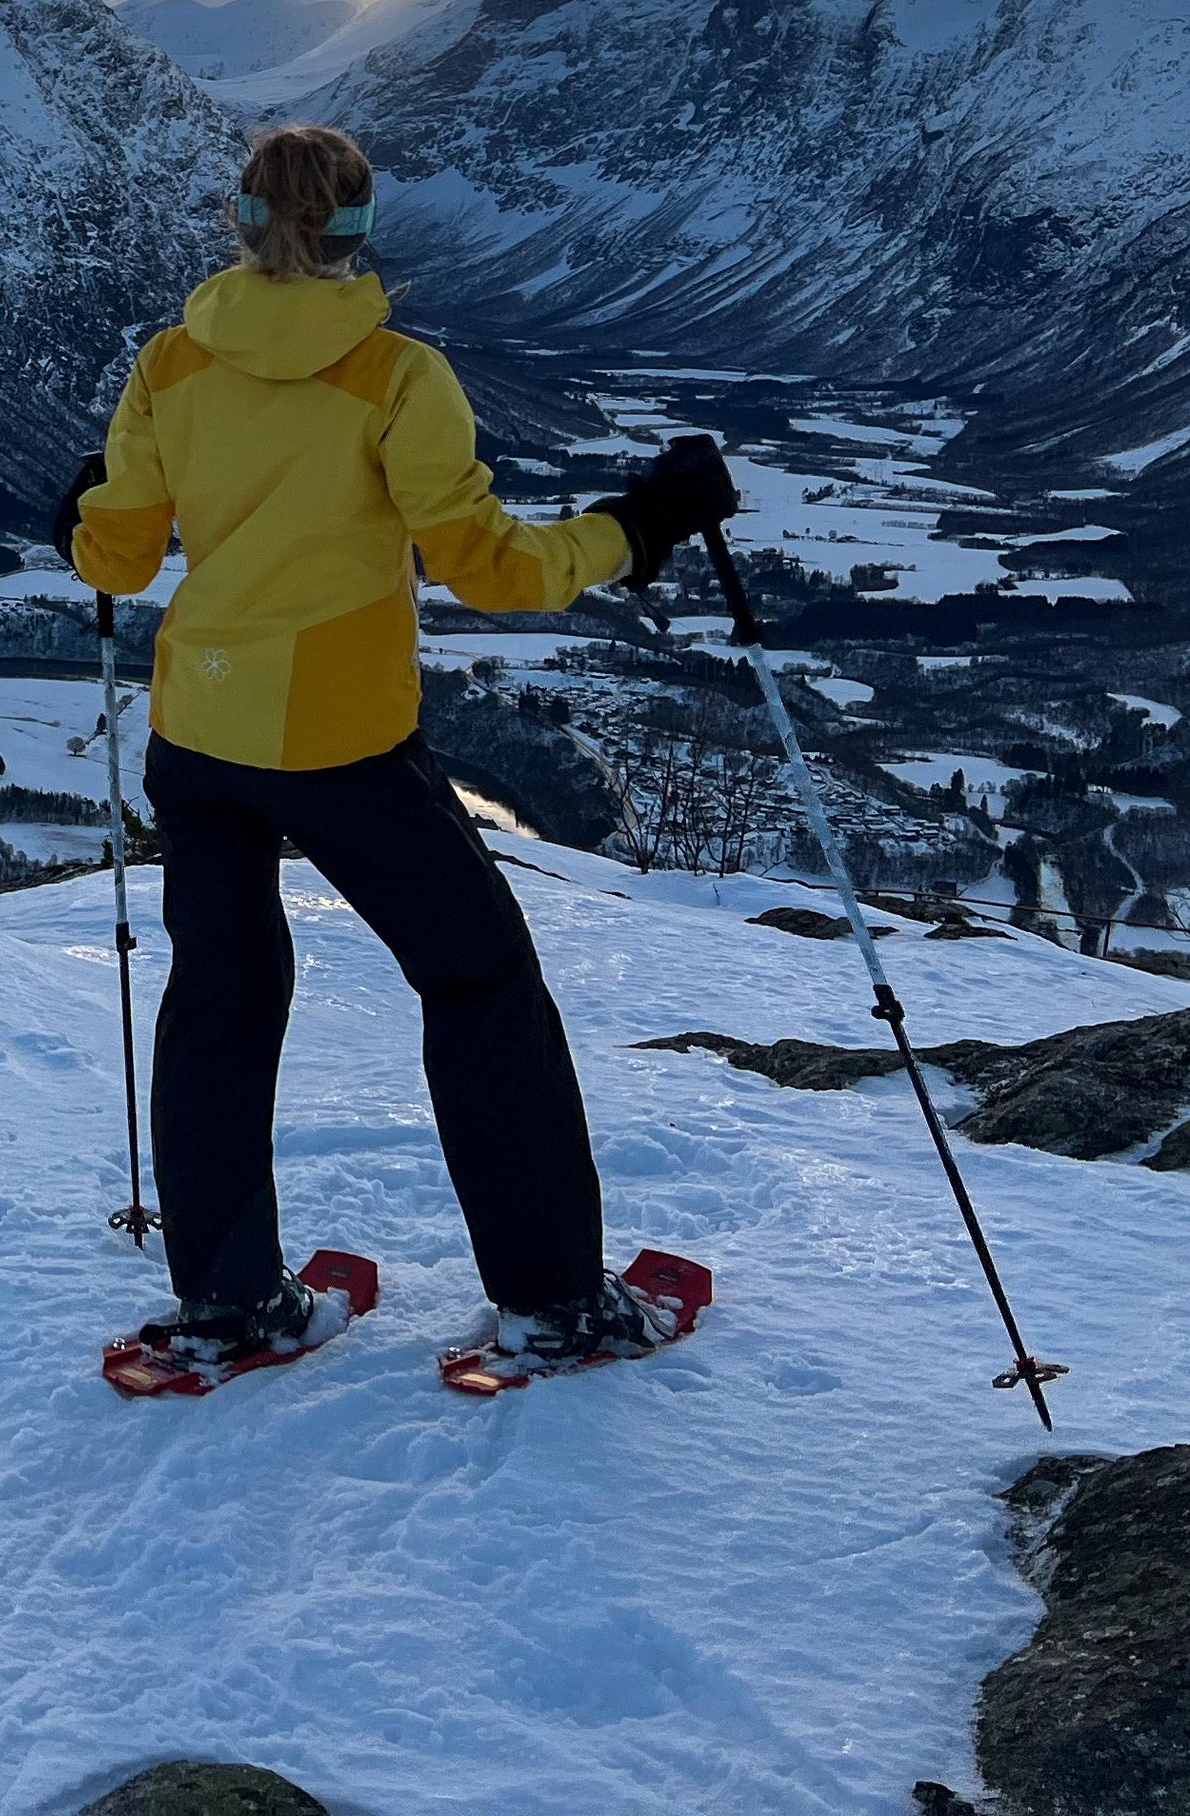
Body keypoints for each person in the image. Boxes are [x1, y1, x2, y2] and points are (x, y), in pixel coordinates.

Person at [61, 121, 735, 1382]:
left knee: (220, 999)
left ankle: (229, 1304)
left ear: (240, 222)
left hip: (196, 732)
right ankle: (552, 1302)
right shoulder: (394, 376)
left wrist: (86, 504)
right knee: (479, 986)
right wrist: (639, 528)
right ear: (367, 230)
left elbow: (116, 555)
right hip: (342, 745)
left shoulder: (170, 365)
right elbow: (489, 568)